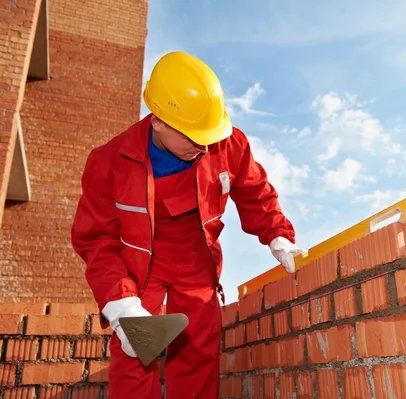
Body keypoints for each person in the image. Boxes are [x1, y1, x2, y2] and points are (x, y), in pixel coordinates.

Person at [70, 51, 306, 398]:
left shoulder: (227, 143)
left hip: (195, 257)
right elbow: (96, 241)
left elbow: (256, 193)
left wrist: (278, 236)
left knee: (198, 344)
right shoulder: (109, 163)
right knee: (135, 349)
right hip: (139, 265)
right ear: (158, 120)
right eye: (193, 135)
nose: (203, 144)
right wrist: (121, 305)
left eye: (207, 135)